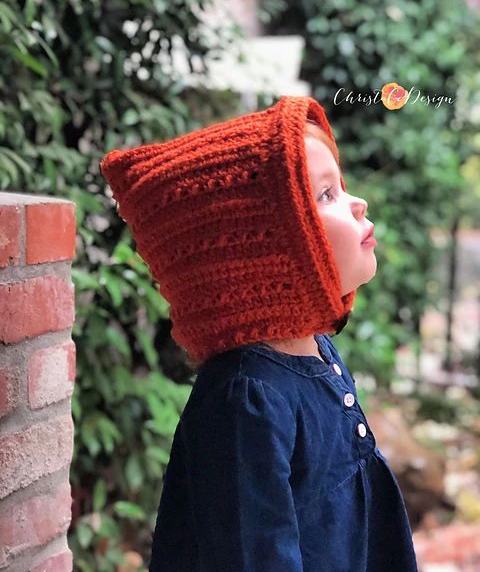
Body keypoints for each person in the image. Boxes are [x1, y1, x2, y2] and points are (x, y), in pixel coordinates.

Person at [100, 95, 419, 572]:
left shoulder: (314, 350)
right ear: (270, 251)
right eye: (326, 194)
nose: (358, 203)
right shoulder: (247, 399)